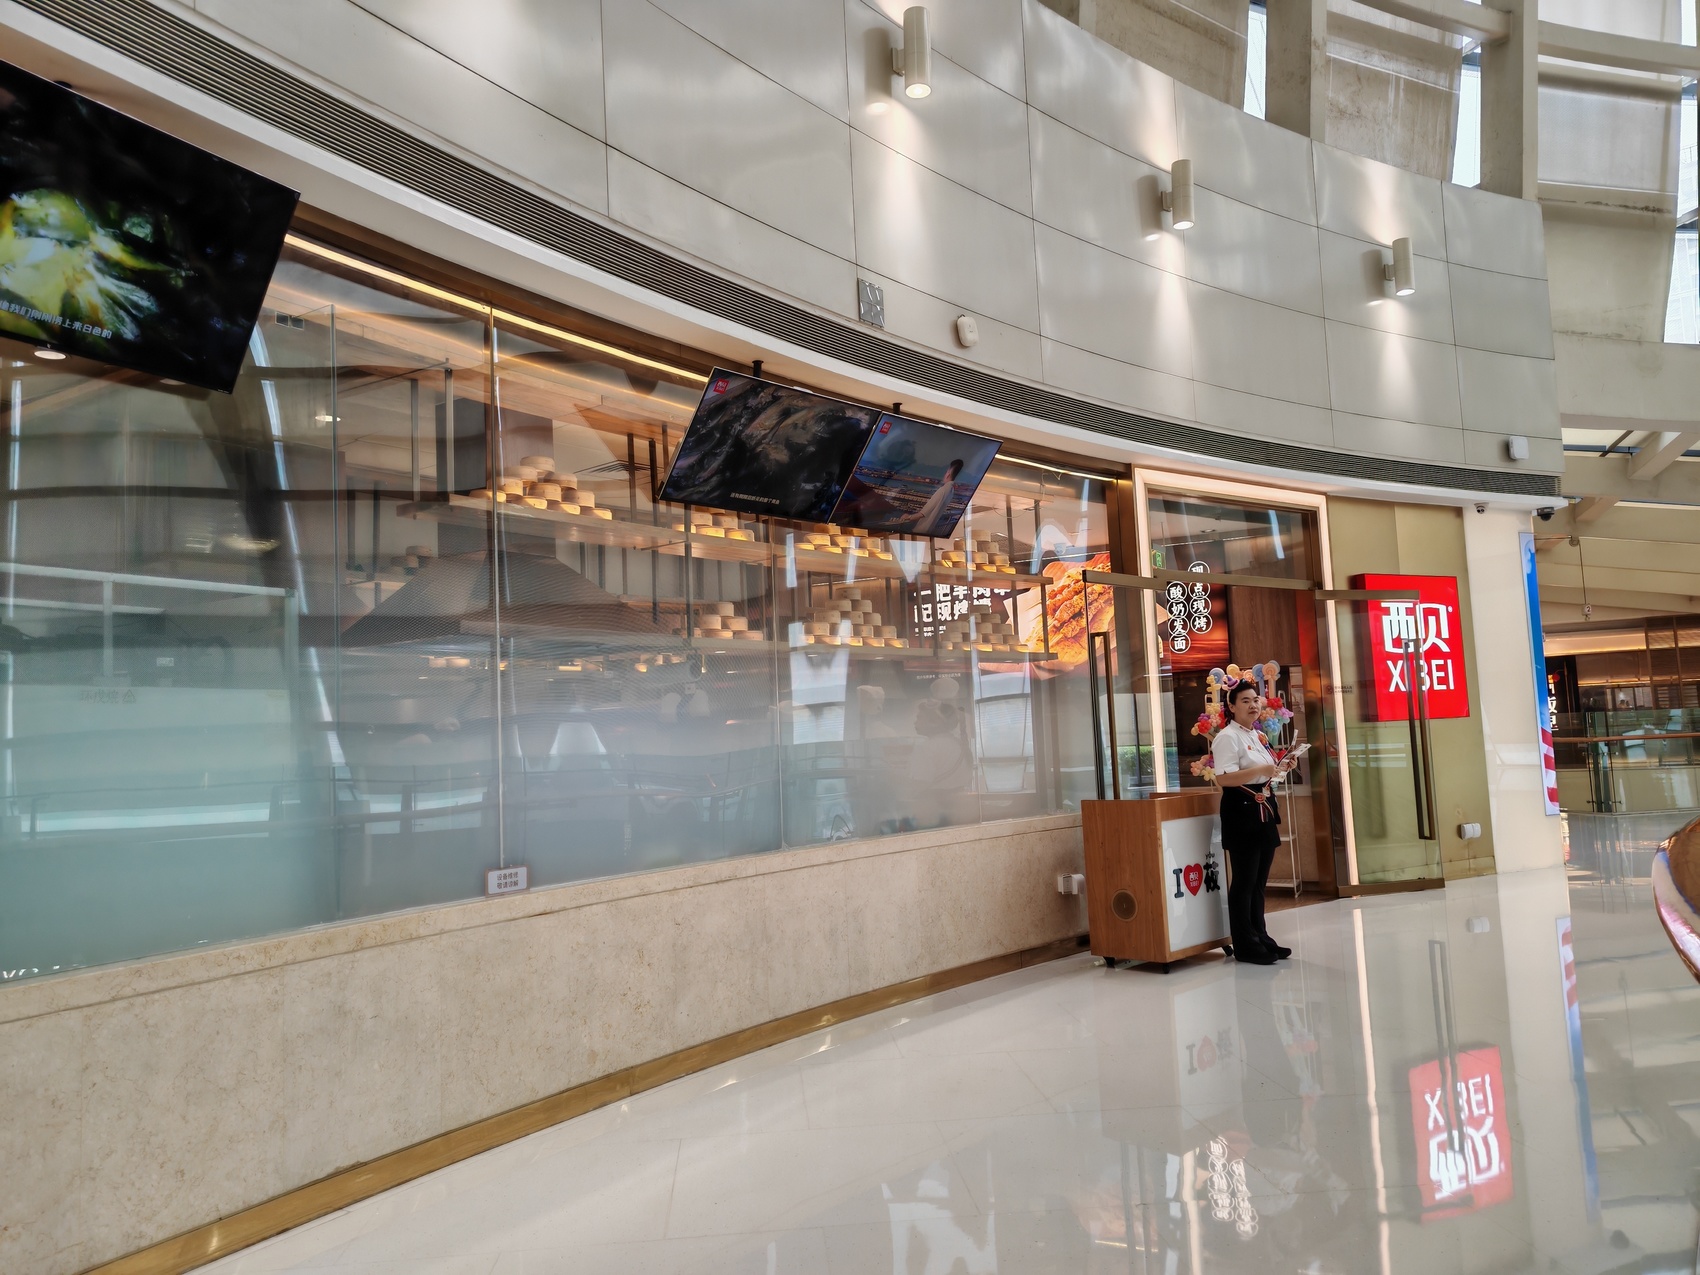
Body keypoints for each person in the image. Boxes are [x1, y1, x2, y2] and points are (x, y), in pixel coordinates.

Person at [1212, 681, 1296, 964]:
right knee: (1245, 881)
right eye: (1245, 701)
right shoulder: (1227, 737)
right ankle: (1245, 945)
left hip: (1264, 808)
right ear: (1232, 706)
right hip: (1242, 810)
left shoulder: (1257, 735)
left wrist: (1282, 766)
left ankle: (1261, 937)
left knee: (1259, 882)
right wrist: (1263, 768)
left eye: (1255, 700)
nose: (1253, 705)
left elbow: (1266, 773)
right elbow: (1224, 779)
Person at [911, 458, 964, 535]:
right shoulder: (951, 490)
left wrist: (908, 517)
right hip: (930, 529)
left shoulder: (942, 490)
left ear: (948, 474)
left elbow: (923, 513)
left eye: (946, 472)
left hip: (921, 530)